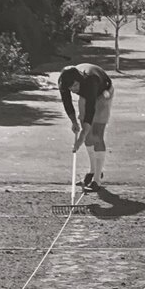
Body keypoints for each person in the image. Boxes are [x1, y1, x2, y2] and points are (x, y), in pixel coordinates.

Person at [58, 63, 114, 192]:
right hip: (86, 96)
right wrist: (74, 122)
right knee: (89, 137)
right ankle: (93, 171)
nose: (73, 90)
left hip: (103, 92)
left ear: (79, 80)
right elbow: (67, 103)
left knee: (97, 134)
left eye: (75, 86)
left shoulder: (90, 82)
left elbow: (90, 111)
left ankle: (97, 181)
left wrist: (80, 139)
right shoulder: (64, 83)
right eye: (70, 88)